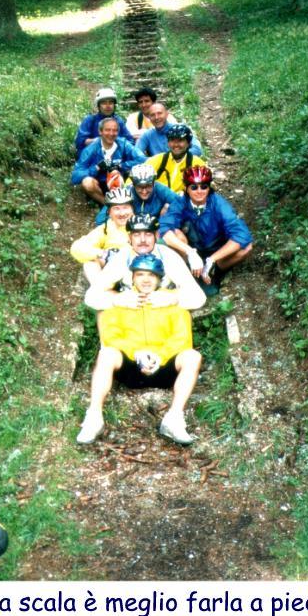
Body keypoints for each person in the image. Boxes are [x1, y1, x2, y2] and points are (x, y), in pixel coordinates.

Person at [77, 254, 202, 446]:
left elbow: (182, 339)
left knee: (192, 356)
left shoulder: (172, 303)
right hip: (131, 364)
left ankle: (174, 418)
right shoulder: (120, 302)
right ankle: (94, 416)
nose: (145, 279)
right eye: (140, 274)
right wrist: (137, 353)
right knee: (106, 354)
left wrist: (159, 356)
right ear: (132, 277)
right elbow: (111, 336)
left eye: (151, 275)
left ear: (159, 279)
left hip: (163, 366)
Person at [159, 165, 253, 296]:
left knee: (246, 247)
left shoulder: (219, 204)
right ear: (186, 188)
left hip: (215, 248)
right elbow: (165, 229)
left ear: (209, 188)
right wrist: (190, 252)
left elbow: (241, 234)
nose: (199, 191)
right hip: (192, 248)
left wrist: (212, 259)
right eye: (194, 187)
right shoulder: (181, 202)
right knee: (175, 233)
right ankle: (185, 271)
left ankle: (216, 272)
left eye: (204, 186)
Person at [85, 213, 206, 311]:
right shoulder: (122, 257)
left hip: (164, 314)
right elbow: (91, 297)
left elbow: (198, 297)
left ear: (156, 236)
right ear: (129, 237)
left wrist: (173, 297)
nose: (142, 240)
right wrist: (117, 298)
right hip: (131, 314)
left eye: (148, 234)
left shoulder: (168, 256)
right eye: (136, 234)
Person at [71, 117, 146, 205]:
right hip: (99, 184)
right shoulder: (90, 149)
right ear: (100, 131)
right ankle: (107, 205)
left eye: (114, 130)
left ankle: (125, 202)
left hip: (120, 181)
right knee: (87, 183)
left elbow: (142, 158)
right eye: (107, 130)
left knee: (117, 173)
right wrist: (96, 168)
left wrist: (120, 165)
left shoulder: (123, 144)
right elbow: (75, 176)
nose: (111, 133)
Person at [70, 188, 134, 284]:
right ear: (109, 212)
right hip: (113, 269)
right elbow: (77, 247)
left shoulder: (143, 224)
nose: (122, 213)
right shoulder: (106, 228)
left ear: (132, 209)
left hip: (138, 268)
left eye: (125, 207)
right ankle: (100, 289)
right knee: (90, 263)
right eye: (116, 208)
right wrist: (103, 253)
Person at [93, 164, 179, 225]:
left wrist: (168, 218)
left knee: (169, 207)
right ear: (133, 184)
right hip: (130, 228)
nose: (144, 191)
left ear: (153, 183)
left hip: (156, 227)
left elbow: (181, 203)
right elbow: (100, 220)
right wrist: (122, 219)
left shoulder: (160, 189)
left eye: (148, 186)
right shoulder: (125, 192)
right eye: (140, 187)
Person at [143, 124, 207, 194]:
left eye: (180, 140)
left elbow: (205, 192)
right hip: (158, 200)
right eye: (172, 140)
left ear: (188, 143)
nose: (176, 144)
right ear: (168, 143)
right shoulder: (157, 160)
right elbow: (133, 180)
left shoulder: (197, 164)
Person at [75, 88, 134, 156]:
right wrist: (101, 141)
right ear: (98, 106)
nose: (108, 106)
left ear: (114, 105)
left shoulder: (118, 121)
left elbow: (130, 141)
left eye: (110, 103)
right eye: (104, 103)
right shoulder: (90, 120)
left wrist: (117, 143)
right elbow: (80, 141)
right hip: (93, 157)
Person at [137, 102, 203, 157]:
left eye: (159, 113)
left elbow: (197, 150)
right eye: (152, 115)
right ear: (149, 118)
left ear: (167, 114)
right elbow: (136, 154)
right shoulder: (147, 135)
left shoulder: (181, 129)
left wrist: (175, 158)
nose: (156, 117)